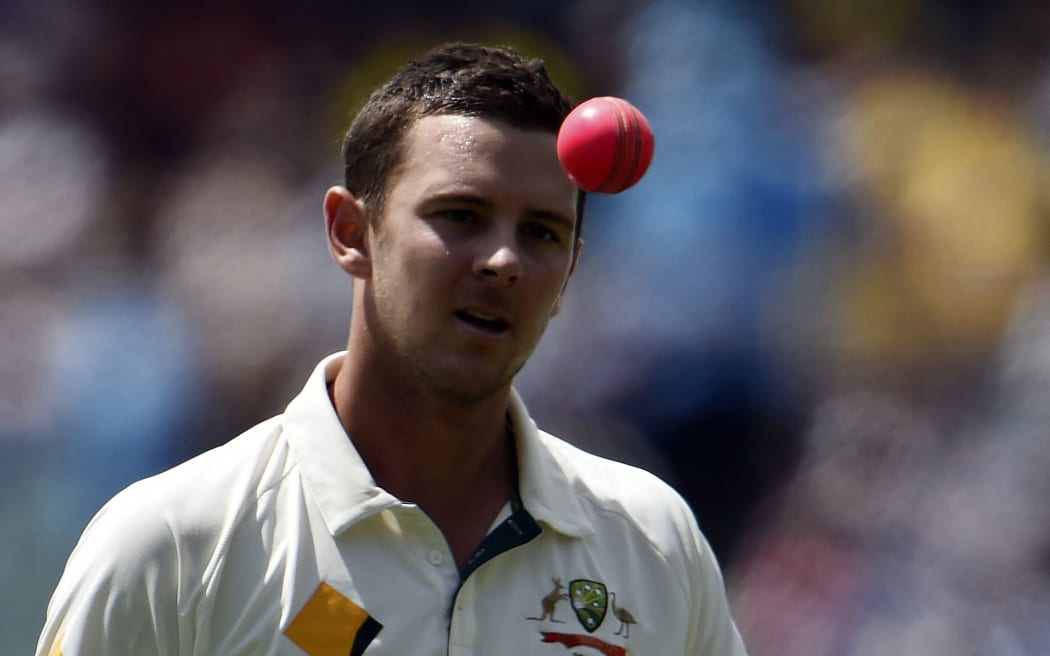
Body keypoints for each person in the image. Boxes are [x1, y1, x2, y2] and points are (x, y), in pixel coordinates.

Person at [36, 42, 747, 656]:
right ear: (350, 231)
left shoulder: (653, 541)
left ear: (568, 275)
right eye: (460, 216)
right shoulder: (174, 542)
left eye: (541, 234)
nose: (503, 260)